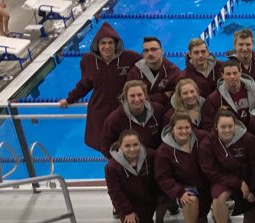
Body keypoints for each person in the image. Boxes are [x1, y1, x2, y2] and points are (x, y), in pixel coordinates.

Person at [59, 23, 142, 151]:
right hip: (100, 111)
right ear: (97, 45)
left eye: (110, 43)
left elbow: (149, 66)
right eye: (103, 43)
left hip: (123, 110)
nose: (107, 46)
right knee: (105, 145)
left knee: (127, 144)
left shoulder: (129, 57)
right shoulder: (88, 61)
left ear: (116, 44)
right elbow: (84, 84)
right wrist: (70, 99)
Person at [198, 109, 255, 223]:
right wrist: (237, 182)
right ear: (216, 126)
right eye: (223, 126)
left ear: (235, 125)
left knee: (249, 203)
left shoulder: (247, 139)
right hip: (221, 180)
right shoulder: (207, 144)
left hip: (245, 177)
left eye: (230, 126)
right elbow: (211, 172)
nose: (227, 130)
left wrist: (253, 188)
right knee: (218, 198)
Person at [154, 114, 210, 223]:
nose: (184, 131)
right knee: (190, 198)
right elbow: (164, 178)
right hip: (184, 186)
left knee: (204, 215)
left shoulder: (203, 138)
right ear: (172, 129)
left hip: (204, 183)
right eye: (180, 128)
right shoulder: (163, 151)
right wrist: (179, 192)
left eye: (187, 127)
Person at [105, 130, 160, 223]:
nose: (132, 149)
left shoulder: (150, 156)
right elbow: (115, 192)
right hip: (126, 201)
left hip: (146, 197)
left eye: (135, 144)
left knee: (147, 220)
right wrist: (127, 211)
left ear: (140, 144)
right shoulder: (112, 167)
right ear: (120, 146)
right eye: (127, 146)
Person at [100, 81, 166, 157]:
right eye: (132, 96)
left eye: (139, 95)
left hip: (156, 159)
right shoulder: (115, 119)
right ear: (126, 97)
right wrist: (123, 160)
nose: (137, 99)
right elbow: (106, 147)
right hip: (130, 161)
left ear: (145, 95)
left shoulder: (158, 111)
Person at [127, 37, 182, 106]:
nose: (150, 53)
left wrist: (148, 98)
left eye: (153, 49)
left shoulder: (173, 72)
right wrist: (163, 96)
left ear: (162, 51)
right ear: (143, 54)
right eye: (146, 50)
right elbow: (130, 99)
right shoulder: (135, 73)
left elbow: (180, 98)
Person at [205, 60, 255, 126]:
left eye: (235, 73)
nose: (232, 77)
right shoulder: (214, 99)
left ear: (240, 73)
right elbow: (208, 124)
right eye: (228, 74)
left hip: (252, 131)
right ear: (222, 75)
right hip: (229, 131)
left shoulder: (254, 90)